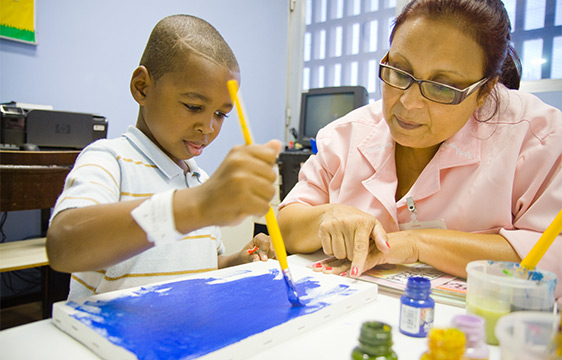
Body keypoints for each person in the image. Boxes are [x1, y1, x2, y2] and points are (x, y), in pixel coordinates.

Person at [278, 0, 562, 303]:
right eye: (399, 72)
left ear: (485, 91)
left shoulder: (537, 138)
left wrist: (418, 243)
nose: (408, 104)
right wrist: (327, 216)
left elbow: (551, 255)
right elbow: (285, 227)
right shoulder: (348, 134)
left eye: (442, 87)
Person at [46, 15, 282, 300]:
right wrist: (193, 207)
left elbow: (203, 268)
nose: (208, 127)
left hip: (178, 339)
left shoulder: (199, 180)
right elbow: (63, 245)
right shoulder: (109, 160)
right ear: (142, 87)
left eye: (221, 114)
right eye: (193, 106)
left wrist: (238, 260)